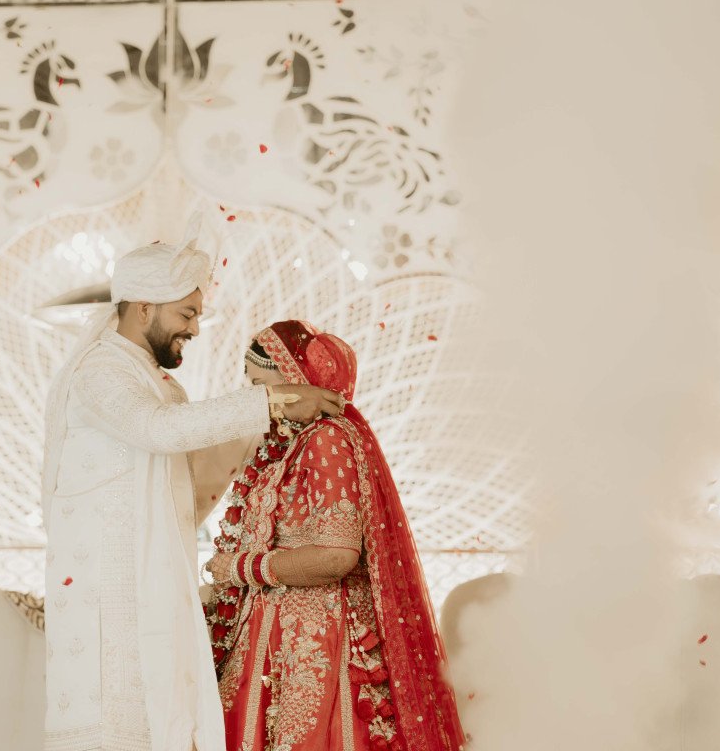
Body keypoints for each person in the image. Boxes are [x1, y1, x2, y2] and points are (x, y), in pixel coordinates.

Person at [41, 239, 344, 751]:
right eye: (187, 313)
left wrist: (271, 448)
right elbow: (155, 428)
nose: (196, 329)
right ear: (144, 308)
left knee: (164, 723)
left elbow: (188, 493)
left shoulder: (163, 387)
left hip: (155, 586)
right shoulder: (100, 371)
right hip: (108, 598)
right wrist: (270, 401)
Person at [204, 320, 466, 751]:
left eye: (261, 386)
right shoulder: (290, 444)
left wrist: (242, 567)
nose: (258, 400)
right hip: (276, 638)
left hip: (317, 643)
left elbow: (337, 556)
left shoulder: (326, 439)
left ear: (293, 380)